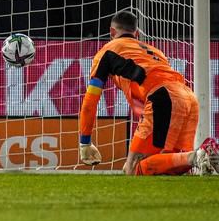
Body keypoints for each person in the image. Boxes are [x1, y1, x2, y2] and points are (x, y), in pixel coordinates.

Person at [78, 10, 219, 176]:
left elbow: (90, 101)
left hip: (163, 97)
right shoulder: (155, 51)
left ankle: (197, 155)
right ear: (136, 34)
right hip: (188, 97)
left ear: (111, 32)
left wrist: (85, 142)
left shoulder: (107, 52)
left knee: (133, 168)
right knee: (170, 166)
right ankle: (202, 155)